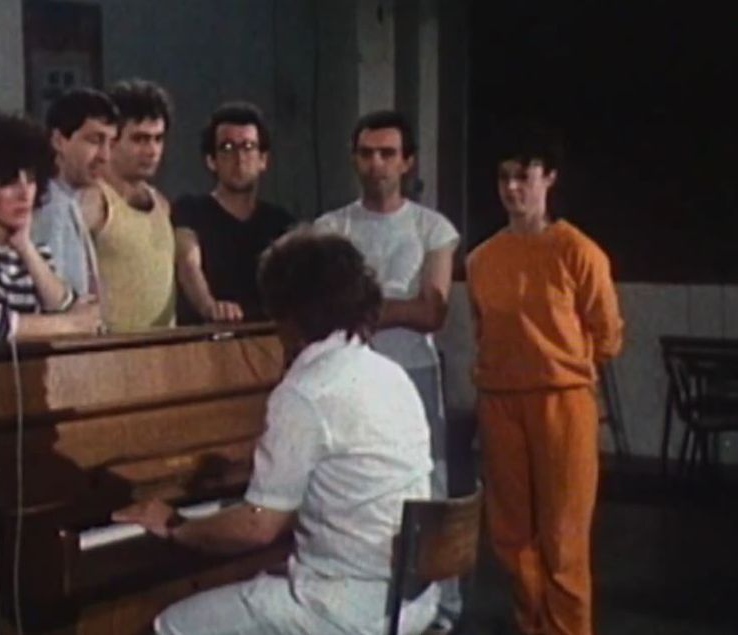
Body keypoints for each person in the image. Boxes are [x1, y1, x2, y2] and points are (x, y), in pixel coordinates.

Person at [114, 229, 438, 635]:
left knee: (167, 626)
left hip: (344, 610)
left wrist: (175, 524)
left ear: (288, 313)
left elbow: (258, 527)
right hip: (411, 598)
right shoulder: (390, 373)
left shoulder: (305, 391)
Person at [467, 124, 622, 635]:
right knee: (510, 534)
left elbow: (607, 334)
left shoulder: (578, 252)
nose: (513, 188)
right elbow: (483, 329)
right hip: (499, 401)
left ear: (548, 178)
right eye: (504, 177)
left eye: (524, 176)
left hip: (562, 402)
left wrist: (564, 366)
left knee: (563, 536)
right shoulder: (483, 259)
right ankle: (530, 624)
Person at [314, 109, 461, 633]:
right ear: (354, 159)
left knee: (428, 481)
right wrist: (397, 305)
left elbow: (432, 311)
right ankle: (368, 599)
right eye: (367, 154)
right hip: (347, 375)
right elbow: (322, 309)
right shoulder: (331, 228)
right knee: (353, 481)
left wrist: (364, 308)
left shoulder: (431, 227)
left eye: (388, 154)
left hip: (414, 370)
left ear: (407, 161)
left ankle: (441, 606)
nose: (376, 164)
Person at [0, 111, 101, 339]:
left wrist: (25, 248)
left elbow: (69, 307)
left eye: (30, 179)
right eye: (8, 182)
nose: (24, 193)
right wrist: (68, 325)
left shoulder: (34, 250)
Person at [172, 101, 293, 325]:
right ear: (211, 160)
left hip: (265, 338)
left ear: (263, 160)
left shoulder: (280, 222)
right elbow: (188, 264)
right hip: (204, 337)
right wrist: (210, 307)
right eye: (227, 148)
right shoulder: (190, 210)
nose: (239, 158)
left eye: (248, 147)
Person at [78, 78, 176, 332]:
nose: (152, 150)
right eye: (140, 139)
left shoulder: (161, 204)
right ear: (112, 140)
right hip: (112, 349)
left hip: (164, 347)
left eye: (158, 139)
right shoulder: (93, 200)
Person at [32, 88, 118, 298]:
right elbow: (54, 299)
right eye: (95, 140)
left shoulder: (68, 202)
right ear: (58, 140)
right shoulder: (50, 207)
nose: (105, 156)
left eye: (111, 143)